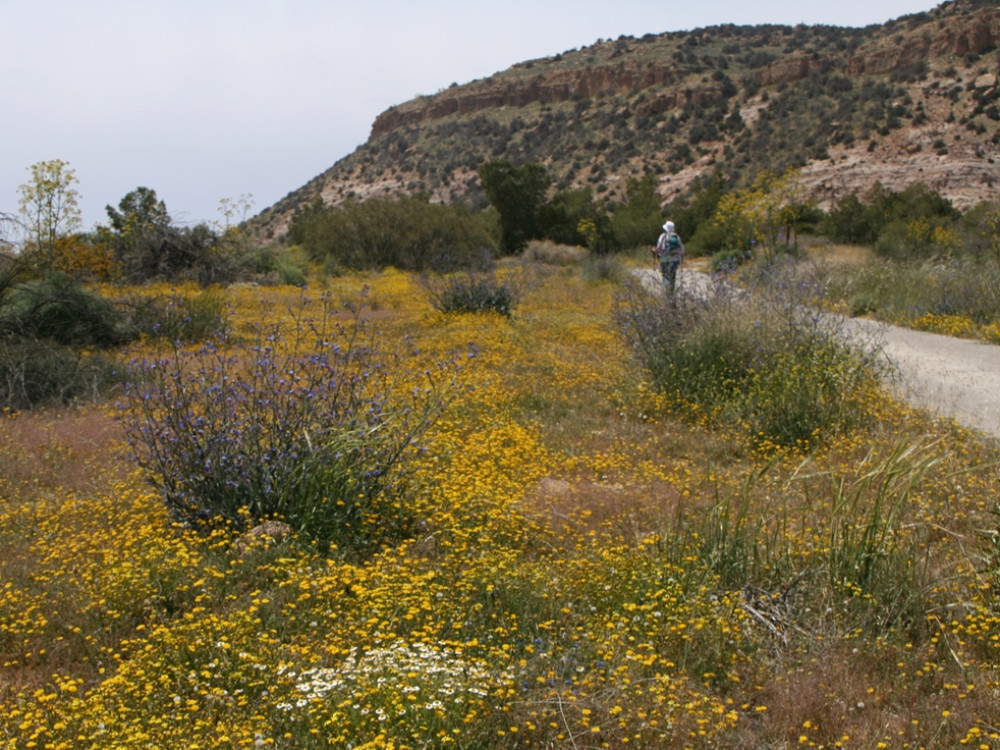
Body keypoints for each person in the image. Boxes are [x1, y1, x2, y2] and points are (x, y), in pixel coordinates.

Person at [653, 220, 685, 294]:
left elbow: (659, 248)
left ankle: (668, 292)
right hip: (675, 260)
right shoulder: (677, 237)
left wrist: (655, 251)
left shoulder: (663, 236)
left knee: (666, 276)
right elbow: (682, 249)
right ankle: (672, 291)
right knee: (673, 275)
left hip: (665, 260)